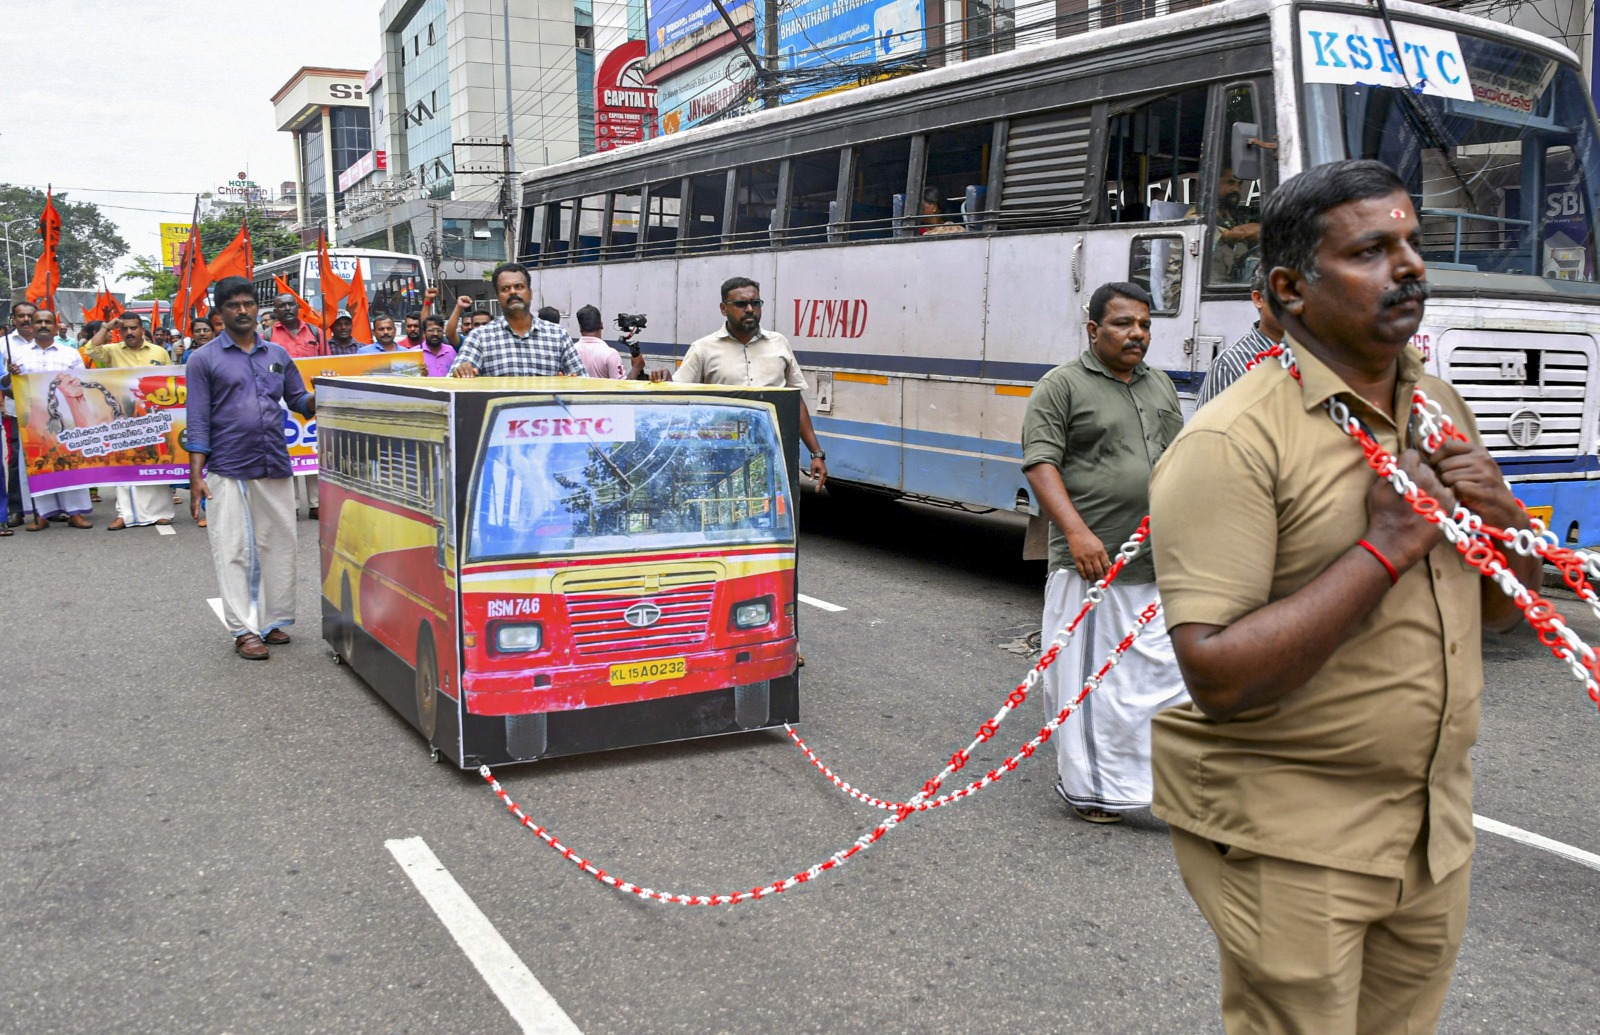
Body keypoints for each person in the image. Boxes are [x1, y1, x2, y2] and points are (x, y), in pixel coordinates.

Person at [1147, 160, 1540, 1034]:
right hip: (1294, 842)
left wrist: (1507, 525)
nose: (1409, 267)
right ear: (1290, 287)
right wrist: (1386, 545)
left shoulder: (1439, 408)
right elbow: (1215, 673)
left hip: (1432, 834)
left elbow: (1499, 611)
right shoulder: (1231, 442)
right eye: (1372, 249)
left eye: (1412, 242)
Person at [1019, 281, 1188, 823]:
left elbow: (1179, 459)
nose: (1136, 334)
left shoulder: (1159, 384)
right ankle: (1093, 792)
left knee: (1155, 683)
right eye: (1122, 324)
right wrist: (1076, 532)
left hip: (1157, 563)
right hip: (1091, 567)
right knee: (1092, 686)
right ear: (1093, 330)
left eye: (1143, 325)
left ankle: (1153, 786)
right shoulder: (1061, 386)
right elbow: (1040, 464)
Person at [186, 276, 317, 661]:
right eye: (233, 305)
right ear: (220, 313)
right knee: (233, 549)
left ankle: (274, 621)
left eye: (248, 304)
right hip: (227, 465)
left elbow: (298, 400)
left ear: (256, 309)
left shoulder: (277, 354)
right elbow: (196, 420)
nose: (242, 311)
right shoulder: (203, 359)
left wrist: (329, 393)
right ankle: (244, 630)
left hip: (273, 461)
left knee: (280, 544)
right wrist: (196, 476)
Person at [664, 277, 827, 486]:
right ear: (724, 308)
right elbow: (678, 399)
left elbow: (795, 401)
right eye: (741, 304)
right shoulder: (703, 349)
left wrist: (816, 453)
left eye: (755, 303)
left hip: (773, 455)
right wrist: (663, 382)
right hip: (720, 460)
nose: (750, 309)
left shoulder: (779, 344)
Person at [82, 312, 176, 529]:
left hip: (152, 415)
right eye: (124, 329)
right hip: (123, 416)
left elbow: (170, 380)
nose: (129, 332)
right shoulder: (112, 351)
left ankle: (161, 512)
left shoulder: (159, 352)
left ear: (142, 330)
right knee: (123, 463)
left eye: (134, 328)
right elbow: (90, 349)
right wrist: (107, 326)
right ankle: (123, 513)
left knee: (154, 460)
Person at [8, 310, 95, 529]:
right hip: (34, 420)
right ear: (32, 326)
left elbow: (83, 384)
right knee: (37, 467)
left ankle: (75, 513)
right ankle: (42, 514)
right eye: (39, 322)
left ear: (56, 326)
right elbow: (10, 390)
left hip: (67, 419)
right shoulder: (18, 355)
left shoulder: (70, 354)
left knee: (72, 464)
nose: (43, 325)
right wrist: (11, 377)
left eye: (48, 321)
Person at [451, 263, 583, 377]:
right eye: (505, 288)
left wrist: (572, 382)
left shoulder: (557, 335)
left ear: (530, 293)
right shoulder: (480, 337)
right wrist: (461, 372)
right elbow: (454, 379)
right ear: (498, 296)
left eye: (519, 286)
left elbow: (582, 380)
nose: (513, 292)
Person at [1194, 264, 1284, 409]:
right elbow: (1209, 430)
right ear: (1258, 298)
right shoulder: (1229, 366)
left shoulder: (1316, 357)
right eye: (1284, 293)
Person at [2, 302, 34, 527]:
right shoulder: (4, 345)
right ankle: (16, 508)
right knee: (16, 460)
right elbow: (2, 382)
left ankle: (50, 507)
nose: (26, 320)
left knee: (48, 458)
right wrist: (10, 379)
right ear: (14, 319)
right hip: (16, 411)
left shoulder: (47, 341)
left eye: (30, 316)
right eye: (20, 316)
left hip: (48, 413)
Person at [266, 293, 325, 358]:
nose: (287, 308)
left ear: (297, 307)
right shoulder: (267, 335)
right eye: (282, 306)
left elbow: (327, 362)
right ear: (275, 312)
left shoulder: (316, 332)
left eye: (291, 304)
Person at [574, 305, 625, 378]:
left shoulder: (571, 352)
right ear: (601, 325)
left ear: (580, 328)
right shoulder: (610, 354)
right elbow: (621, 387)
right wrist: (636, 368)